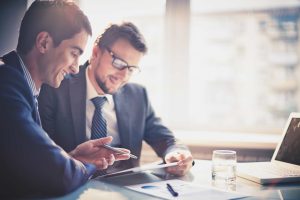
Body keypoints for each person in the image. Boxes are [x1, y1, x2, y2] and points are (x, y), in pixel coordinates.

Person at [0, 1, 130, 198]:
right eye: (74, 53)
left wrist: (73, 157)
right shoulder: (6, 86)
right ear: (43, 42)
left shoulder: (21, 85)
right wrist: (86, 164)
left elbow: (29, 164)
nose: (76, 68)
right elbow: (59, 176)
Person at [39, 22, 194, 176]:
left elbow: (166, 139)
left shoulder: (137, 96)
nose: (124, 76)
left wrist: (178, 153)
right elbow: (43, 156)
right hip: (75, 186)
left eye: (131, 69)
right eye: (119, 63)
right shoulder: (55, 87)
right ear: (95, 52)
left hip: (126, 189)